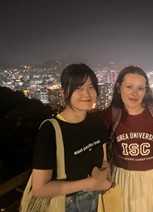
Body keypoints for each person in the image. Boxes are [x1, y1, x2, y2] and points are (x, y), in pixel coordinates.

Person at [31, 63, 111, 212]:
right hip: (64, 206)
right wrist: (90, 183)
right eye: (78, 88)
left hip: (96, 204)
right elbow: (39, 189)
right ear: (64, 92)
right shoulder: (50, 130)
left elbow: (104, 160)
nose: (86, 94)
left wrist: (104, 175)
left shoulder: (97, 123)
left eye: (91, 87)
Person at [102, 66, 153, 212]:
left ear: (145, 91)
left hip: (152, 178)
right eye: (129, 87)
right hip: (122, 177)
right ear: (118, 88)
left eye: (140, 88)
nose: (134, 93)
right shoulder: (111, 114)